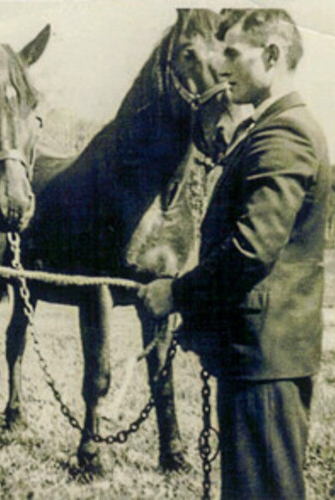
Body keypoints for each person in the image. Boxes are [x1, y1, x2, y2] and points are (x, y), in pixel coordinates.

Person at [138, 9, 330, 500]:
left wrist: (176, 293)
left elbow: (251, 250)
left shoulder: (284, 135)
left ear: (272, 55)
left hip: (263, 360)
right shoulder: (268, 128)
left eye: (232, 53)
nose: (221, 67)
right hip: (258, 354)